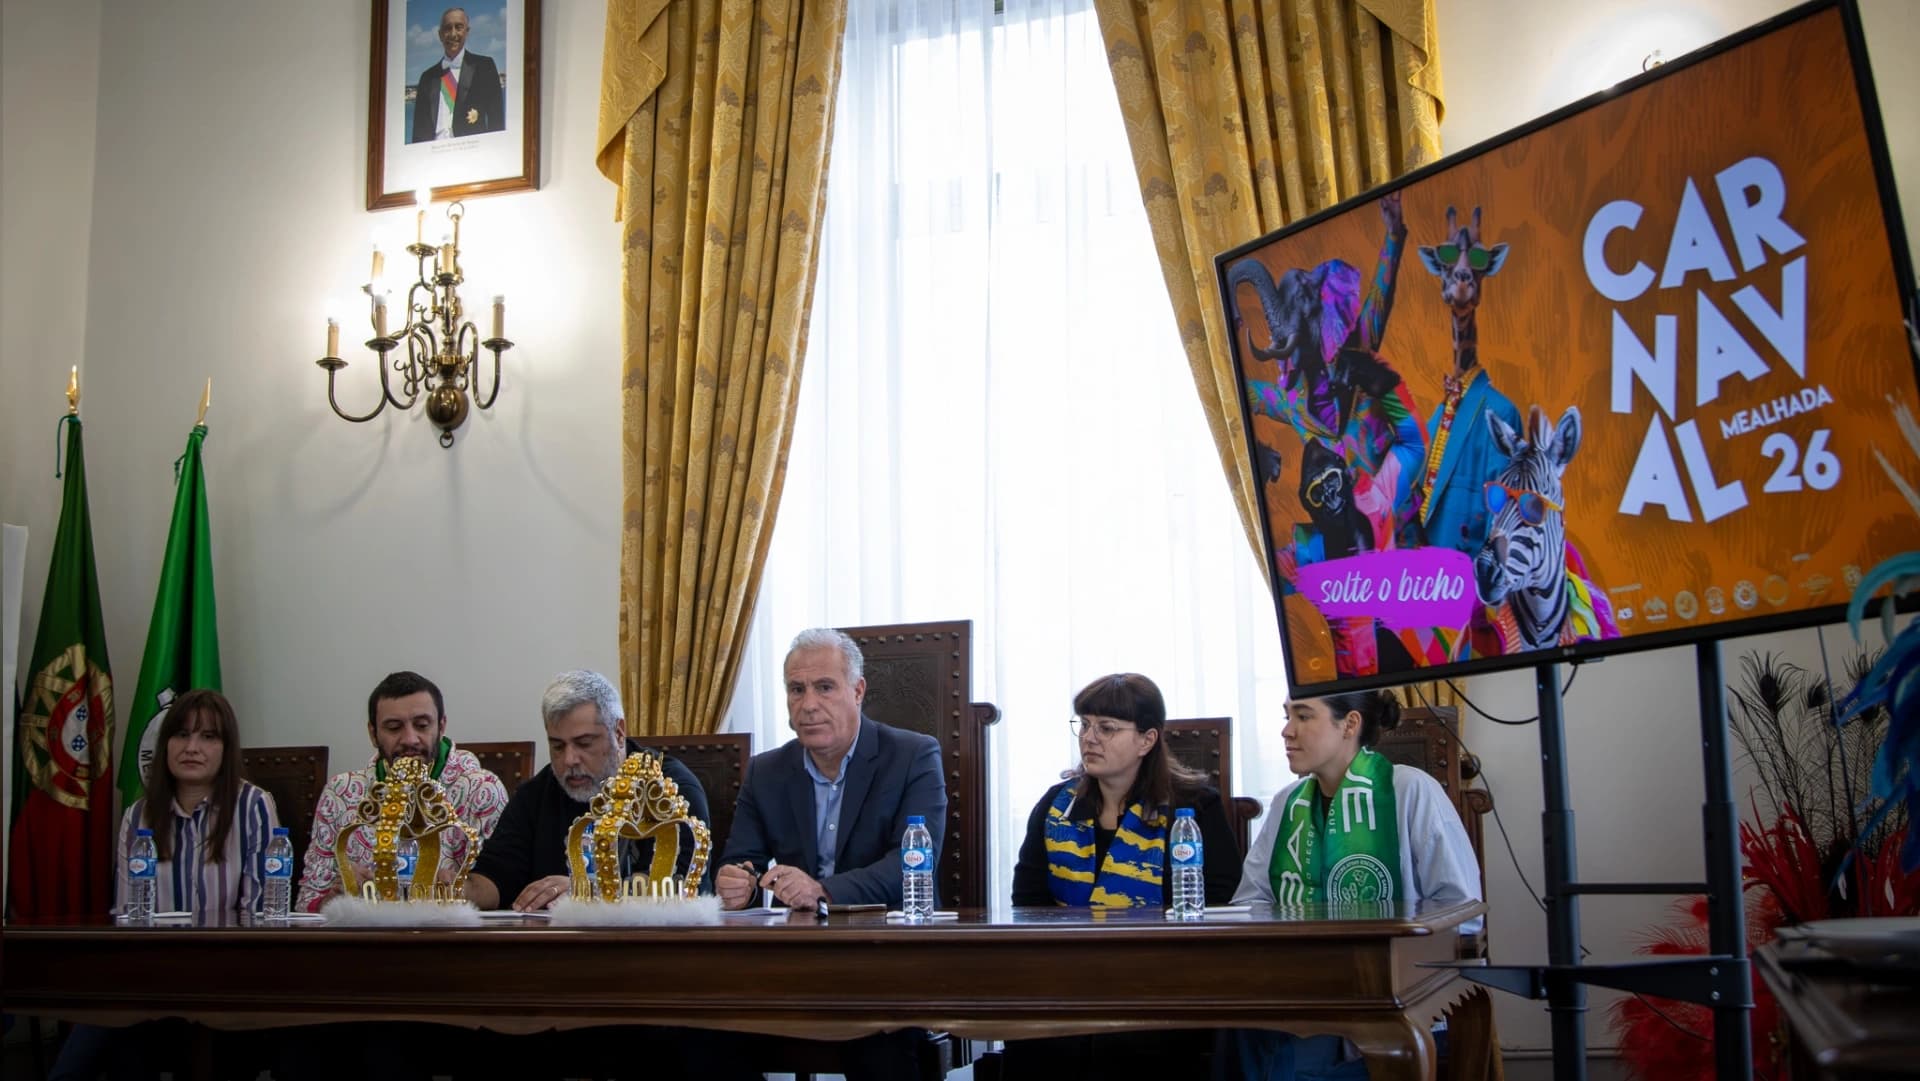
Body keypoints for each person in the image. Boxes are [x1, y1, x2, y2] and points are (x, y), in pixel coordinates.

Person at [704, 627, 947, 1081]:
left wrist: (823, 891)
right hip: (793, 965)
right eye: (796, 689)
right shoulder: (767, 771)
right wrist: (735, 883)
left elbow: (912, 863)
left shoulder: (913, 755)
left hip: (883, 963)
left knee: (880, 1051)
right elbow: (743, 858)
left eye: (824, 687)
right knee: (701, 1037)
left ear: (857, 691)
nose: (808, 703)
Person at [1219, 689, 1481, 1081]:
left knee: (1281, 1069)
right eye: (1287, 716)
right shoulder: (1288, 803)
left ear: (1350, 724)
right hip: (1300, 992)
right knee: (1237, 1031)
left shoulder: (1410, 791)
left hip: (1395, 1001)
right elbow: (1250, 901)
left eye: (1304, 717)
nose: (1286, 731)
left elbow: (1462, 911)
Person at [1003, 672, 1240, 1079]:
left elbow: (1219, 898)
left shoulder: (1193, 806)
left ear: (1147, 740)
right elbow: (1028, 901)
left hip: (1162, 978)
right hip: (1068, 976)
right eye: (1085, 724)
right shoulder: (1056, 805)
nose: (1089, 738)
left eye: (1107, 728)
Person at [51, 689, 279, 1081]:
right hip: (150, 976)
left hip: (227, 975)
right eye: (181, 735)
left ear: (226, 748)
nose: (192, 747)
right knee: (110, 1031)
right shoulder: (138, 813)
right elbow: (127, 913)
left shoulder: (253, 805)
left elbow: (258, 911)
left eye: (208, 736)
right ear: (165, 743)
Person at [466, 669, 711, 911]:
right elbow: (496, 875)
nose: (569, 759)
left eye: (584, 743)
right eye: (558, 747)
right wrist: (454, 890)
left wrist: (586, 891)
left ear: (619, 732)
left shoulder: (670, 789)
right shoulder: (536, 794)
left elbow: (676, 888)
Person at [295, 670, 507, 912]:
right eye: (394, 728)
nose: (410, 739)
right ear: (373, 734)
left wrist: (463, 891)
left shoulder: (482, 790)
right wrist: (335, 898)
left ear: (442, 726)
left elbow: (503, 892)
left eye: (422, 725)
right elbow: (305, 902)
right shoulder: (340, 793)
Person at [408, 6, 504, 144]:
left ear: (467, 31)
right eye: (447, 28)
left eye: (458, 27)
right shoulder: (427, 78)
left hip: (472, 154)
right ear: (440, 34)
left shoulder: (484, 67)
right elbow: (418, 133)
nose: (453, 34)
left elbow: (497, 122)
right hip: (434, 158)